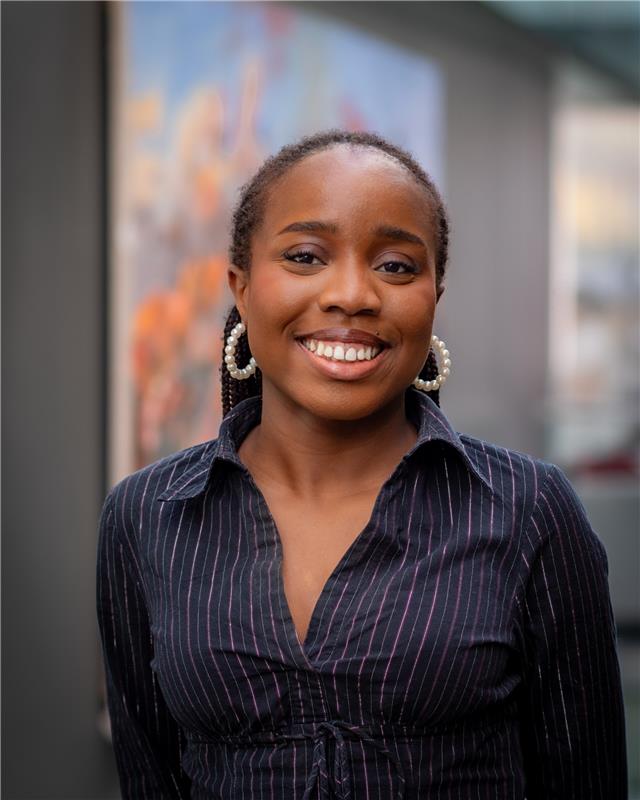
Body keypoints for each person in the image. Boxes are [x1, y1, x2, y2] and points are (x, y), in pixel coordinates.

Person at [96, 129, 628, 799]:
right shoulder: (146, 515)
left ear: (435, 293)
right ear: (242, 285)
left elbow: (588, 780)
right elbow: (151, 779)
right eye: (306, 256)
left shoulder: (529, 510)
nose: (352, 293)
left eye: (397, 266)